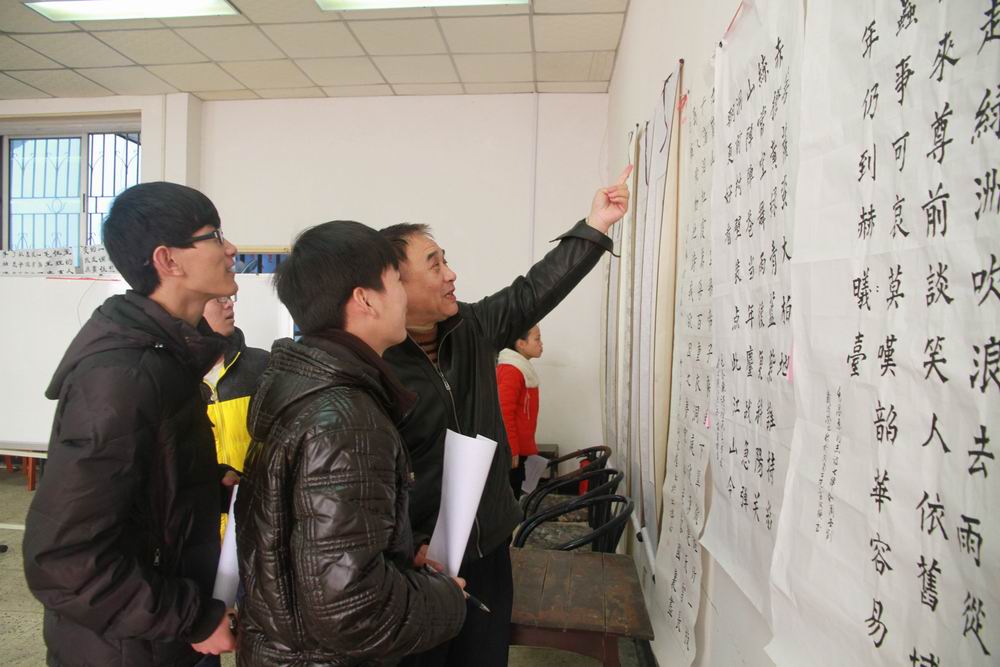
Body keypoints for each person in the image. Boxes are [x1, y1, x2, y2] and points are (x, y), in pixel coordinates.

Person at [380, 166, 631, 667]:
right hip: (417, 560)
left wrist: (595, 226)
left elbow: (534, 290)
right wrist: (406, 545)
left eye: (446, 259)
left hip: (489, 543)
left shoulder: (472, 327)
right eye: (435, 264)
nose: (451, 274)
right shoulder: (377, 363)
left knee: (484, 656)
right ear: (395, 283)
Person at [23, 181, 240, 666]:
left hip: (159, 637)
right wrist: (191, 618)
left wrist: (207, 486)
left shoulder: (167, 358)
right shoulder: (122, 376)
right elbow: (62, 561)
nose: (230, 249)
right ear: (168, 260)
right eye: (213, 235)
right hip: (124, 649)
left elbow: (141, 494)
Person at [234, 220, 467, 666]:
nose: (404, 295)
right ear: (365, 299)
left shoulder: (302, 383)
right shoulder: (345, 420)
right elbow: (353, 609)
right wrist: (445, 600)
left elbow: (315, 554)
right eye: (396, 281)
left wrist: (399, 552)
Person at [201, 293, 269, 478]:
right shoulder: (173, 375)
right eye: (219, 298)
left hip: (254, 493)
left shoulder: (264, 365)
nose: (230, 304)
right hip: (204, 495)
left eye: (229, 297)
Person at [497, 325, 543, 498]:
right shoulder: (511, 370)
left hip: (519, 448)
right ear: (521, 344)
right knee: (511, 493)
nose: (541, 344)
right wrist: (512, 449)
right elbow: (504, 412)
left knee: (516, 489)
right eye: (537, 339)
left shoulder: (520, 368)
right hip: (512, 450)